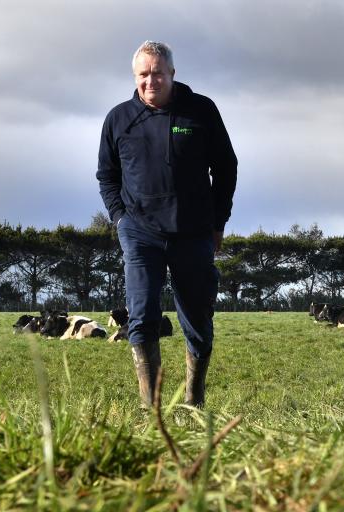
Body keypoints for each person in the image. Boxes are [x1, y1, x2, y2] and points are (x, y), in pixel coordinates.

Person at [96, 41, 237, 408]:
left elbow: (226, 167)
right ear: (135, 77)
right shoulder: (118, 119)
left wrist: (218, 221)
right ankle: (151, 408)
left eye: (158, 73)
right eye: (143, 74)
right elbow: (106, 175)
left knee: (198, 323)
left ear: (172, 74)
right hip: (140, 232)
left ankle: (194, 399)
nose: (150, 81)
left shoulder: (201, 111)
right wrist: (120, 218)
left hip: (193, 233)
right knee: (141, 317)